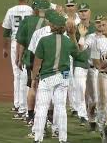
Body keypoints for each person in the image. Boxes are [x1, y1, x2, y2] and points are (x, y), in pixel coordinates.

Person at [32, 11, 78, 143]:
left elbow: (37, 63)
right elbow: (77, 54)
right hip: (63, 77)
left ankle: (38, 138)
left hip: (47, 77)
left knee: (42, 107)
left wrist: (34, 78)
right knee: (61, 107)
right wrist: (73, 35)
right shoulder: (68, 41)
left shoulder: (44, 40)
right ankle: (63, 139)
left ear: (52, 26)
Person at [79, 16, 107, 140]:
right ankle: (101, 126)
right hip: (104, 76)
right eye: (100, 24)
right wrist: (102, 66)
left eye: (104, 25)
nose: (101, 27)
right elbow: (95, 60)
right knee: (103, 104)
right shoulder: (98, 41)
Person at [15, 0, 51, 122]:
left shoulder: (27, 21)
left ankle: (30, 116)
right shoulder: (51, 22)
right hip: (48, 60)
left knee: (32, 86)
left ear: (36, 9)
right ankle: (48, 117)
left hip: (31, 58)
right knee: (48, 89)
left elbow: (21, 42)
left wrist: (18, 59)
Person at [2, 0, 33, 113]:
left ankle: (18, 104)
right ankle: (24, 106)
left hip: (15, 43)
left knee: (17, 75)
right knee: (26, 75)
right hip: (28, 44)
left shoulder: (11, 11)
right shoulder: (31, 10)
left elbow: (6, 32)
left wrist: (5, 48)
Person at [72, 3, 95, 126]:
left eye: (85, 10)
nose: (83, 13)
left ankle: (92, 115)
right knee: (80, 89)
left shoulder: (96, 28)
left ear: (89, 12)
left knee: (93, 94)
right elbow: (72, 46)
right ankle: (82, 115)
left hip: (93, 64)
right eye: (81, 11)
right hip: (79, 63)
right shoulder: (74, 28)